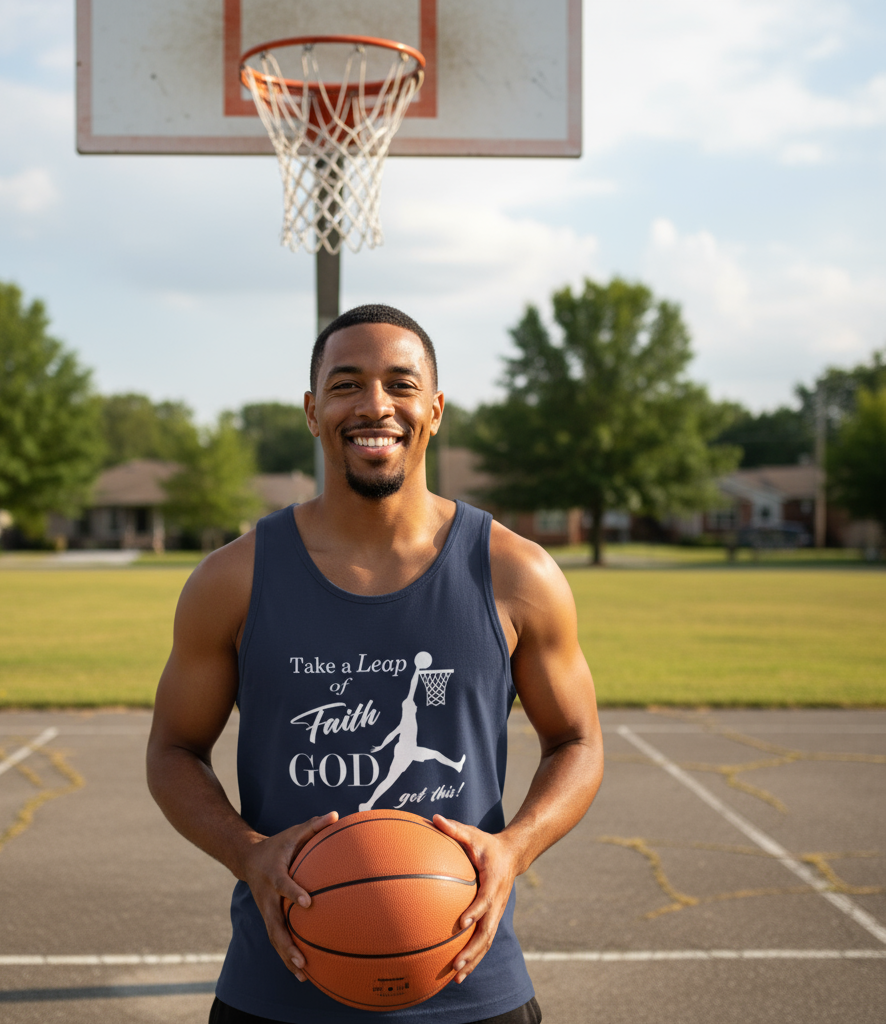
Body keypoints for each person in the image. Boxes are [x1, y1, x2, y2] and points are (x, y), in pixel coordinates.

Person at [146, 304, 604, 1024]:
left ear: (436, 408)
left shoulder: (518, 573)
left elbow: (578, 741)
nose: (375, 407)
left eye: (400, 384)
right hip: (278, 989)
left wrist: (513, 847)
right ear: (311, 410)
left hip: (469, 986)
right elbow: (173, 750)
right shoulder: (233, 579)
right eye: (346, 384)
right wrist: (248, 852)